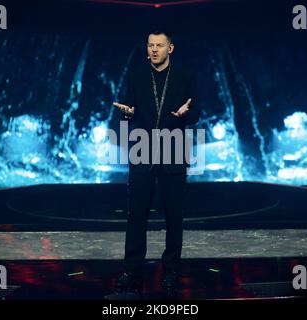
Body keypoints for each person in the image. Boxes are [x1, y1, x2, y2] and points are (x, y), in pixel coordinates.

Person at [113, 30, 200, 297]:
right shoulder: (137, 75)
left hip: (174, 150)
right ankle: (132, 270)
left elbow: (196, 113)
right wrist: (127, 115)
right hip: (143, 151)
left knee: (174, 217)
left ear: (170, 48)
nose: (154, 49)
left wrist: (187, 113)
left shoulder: (185, 77)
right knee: (136, 215)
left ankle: (171, 272)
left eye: (159, 45)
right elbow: (129, 110)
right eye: (150, 45)